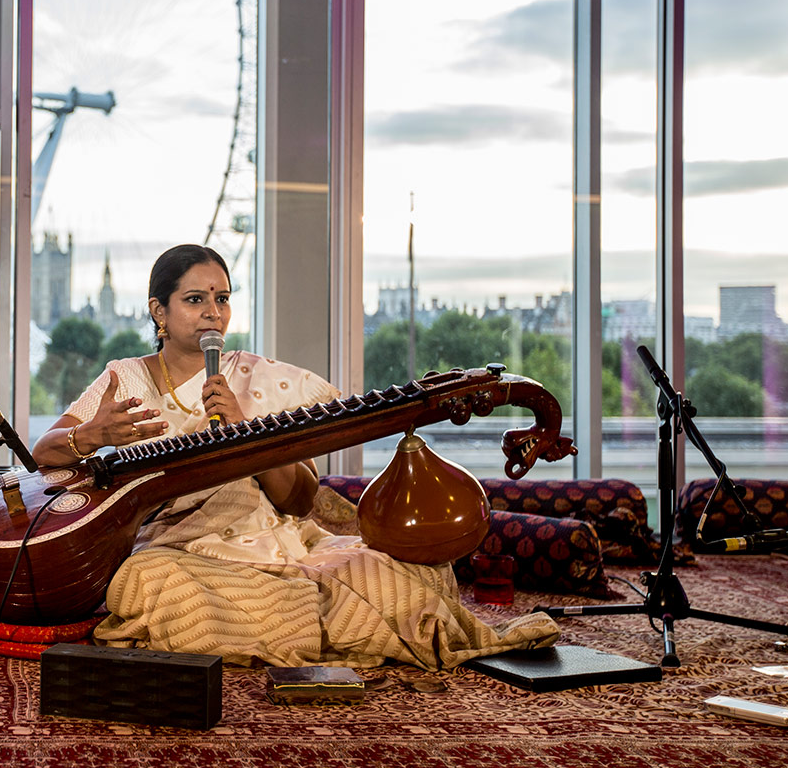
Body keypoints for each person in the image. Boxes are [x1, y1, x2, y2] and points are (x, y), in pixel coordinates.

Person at [32, 243, 558, 670]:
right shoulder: (123, 377)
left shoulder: (262, 378)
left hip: (273, 543)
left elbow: (302, 499)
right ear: (159, 311)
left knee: (405, 573)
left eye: (222, 297)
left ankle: (287, 612)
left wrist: (247, 436)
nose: (213, 311)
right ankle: (309, 613)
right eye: (195, 299)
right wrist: (92, 435)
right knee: (142, 587)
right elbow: (42, 456)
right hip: (178, 550)